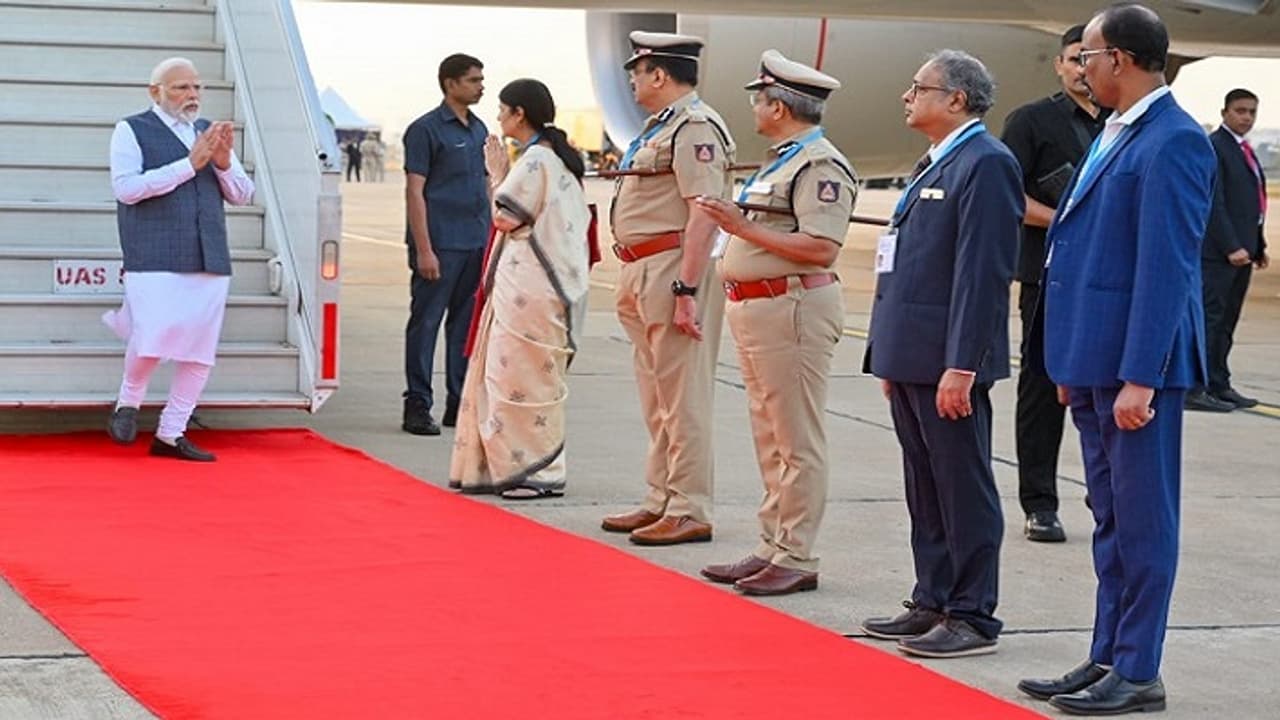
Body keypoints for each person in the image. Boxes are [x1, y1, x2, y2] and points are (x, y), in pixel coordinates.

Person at [1018, 5, 1215, 715]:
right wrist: (1072, 365)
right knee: (1109, 518)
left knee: (1142, 520)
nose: (1080, 66)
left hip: (1137, 373)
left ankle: (1139, 669)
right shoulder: (1116, 131)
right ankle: (1106, 654)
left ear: (1123, 60)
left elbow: (1166, 270)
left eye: (1088, 54)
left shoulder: (1174, 142)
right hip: (1095, 362)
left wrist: (1140, 375)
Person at [859, 50, 1023, 658]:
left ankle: (973, 613)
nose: (907, 96)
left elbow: (981, 275)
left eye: (918, 87)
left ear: (956, 99)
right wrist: (888, 354)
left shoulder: (986, 164)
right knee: (925, 485)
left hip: (948, 362)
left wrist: (965, 363)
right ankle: (932, 598)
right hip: (913, 356)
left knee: (962, 486)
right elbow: (906, 266)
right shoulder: (938, 162)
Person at [695, 51, 853, 596]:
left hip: (792, 309)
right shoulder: (783, 160)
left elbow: (821, 247)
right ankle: (773, 544)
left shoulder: (819, 166)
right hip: (761, 309)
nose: (755, 109)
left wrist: (741, 226)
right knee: (771, 435)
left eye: (759, 100)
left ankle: (798, 554)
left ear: (780, 106)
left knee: (796, 437)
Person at [599, 31, 736, 546]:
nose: (632, 79)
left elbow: (705, 211)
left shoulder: (696, 127)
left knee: (683, 398)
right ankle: (660, 497)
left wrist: (686, 286)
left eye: (638, 70)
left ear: (659, 74)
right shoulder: (661, 127)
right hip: (641, 268)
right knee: (656, 396)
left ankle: (689, 507)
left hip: (672, 268)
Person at [103, 56, 255, 462]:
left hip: (209, 254)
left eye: (197, 87)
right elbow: (127, 189)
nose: (192, 95)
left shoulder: (208, 132)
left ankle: (172, 432)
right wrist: (188, 166)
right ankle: (128, 402)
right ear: (156, 92)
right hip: (153, 252)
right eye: (181, 87)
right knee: (151, 337)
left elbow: (243, 194)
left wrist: (222, 165)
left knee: (199, 351)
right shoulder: (131, 129)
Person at [448, 79, 590, 500]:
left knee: (519, 377)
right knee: (513, 374)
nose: (497, 117)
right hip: (533, 284)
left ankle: (539, 471)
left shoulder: (535, 163)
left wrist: (497, 175)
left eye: (502, 109)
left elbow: (505, 216)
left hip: (531, 283)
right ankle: (507, 465)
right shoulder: (550, 160)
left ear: (519, 114)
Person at [999, 24, 1106, 543]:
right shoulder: (1031, 122)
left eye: (1091, 58)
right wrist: (1069, 219)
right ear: (1059, 66)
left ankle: (1105, 491)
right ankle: (1039, 502)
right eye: (1073, 59)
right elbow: (1008, 197)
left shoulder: (1124, 122)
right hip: (1050, 277)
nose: (1082, 69)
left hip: (1109, 281)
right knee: (1042, 389)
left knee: (1105, 387)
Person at [401, 53, 491, 436]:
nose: (480, 86)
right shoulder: (425, 130)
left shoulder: (480, 129)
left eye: (481, 79)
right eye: (473, 80)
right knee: (426, 324)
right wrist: (424, 249)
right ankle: (418, 404)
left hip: (474, 243)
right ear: (450, 83)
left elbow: (486, 185)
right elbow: (414, 191)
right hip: (440, 245)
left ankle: (459, 400)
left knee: (464, 327)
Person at [1186, 88, 1269, 412]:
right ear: (1224, 113)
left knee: (1227, 322)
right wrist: (1231, 245)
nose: (1246, 117)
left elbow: (1253, 205)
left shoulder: (1244, 149)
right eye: (1240, 111)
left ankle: (1219, 383)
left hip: (1242, 253)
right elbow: (1213, 203)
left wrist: (1257, 245)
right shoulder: (1216, 147)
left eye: (1251, 112)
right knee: (1210, 320)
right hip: (1219, 254)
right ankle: (1195, 387)